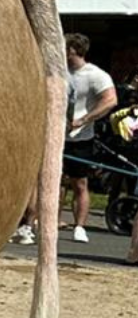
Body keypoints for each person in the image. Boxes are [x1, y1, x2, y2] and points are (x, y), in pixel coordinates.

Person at [61, 32, 117, 243]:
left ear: (73, 50)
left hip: (80, 138)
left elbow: (110, 100)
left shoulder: (95, 75)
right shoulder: (61, 72)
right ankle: (50, 222)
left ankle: (80, 226)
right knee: (55, 183)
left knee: (79, 184)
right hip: (57, 136)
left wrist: (83, 120)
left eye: (64, 47)